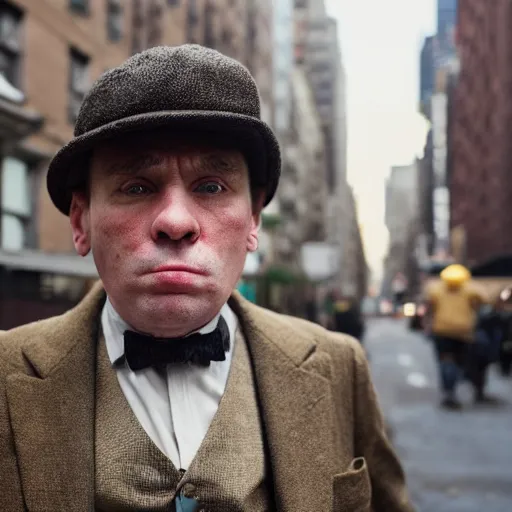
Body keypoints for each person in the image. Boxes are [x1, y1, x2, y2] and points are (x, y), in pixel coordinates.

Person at [0, 45, 412, 511]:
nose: (176, 222)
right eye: (137, 187)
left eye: (211, 187)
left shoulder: (339, 366)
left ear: (253, 219)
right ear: (81, 222)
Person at [426, 264, 487, 409]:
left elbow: (430, 308)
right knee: (459, 363)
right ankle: (451, 390)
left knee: (445, 361)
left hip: (442, 330)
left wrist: (428, 325)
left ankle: (448, 392)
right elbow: (483, 300)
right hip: (463, 331)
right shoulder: (470, 290)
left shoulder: (436, 290)